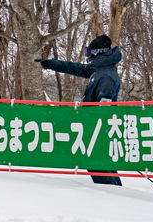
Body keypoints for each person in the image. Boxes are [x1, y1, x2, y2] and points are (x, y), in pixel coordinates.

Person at [37, 34, 122, 186]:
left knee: (95, 161)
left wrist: (90, 122)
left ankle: (111, 192)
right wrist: (51, 64)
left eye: (88, 52)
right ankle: (114, 191)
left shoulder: (106, 76)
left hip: (98, 129)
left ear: (98, 53)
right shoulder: (100, 69)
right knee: (101, 162)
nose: (87, 56)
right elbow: (78, 68)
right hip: (93, 126)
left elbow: (103, 109)